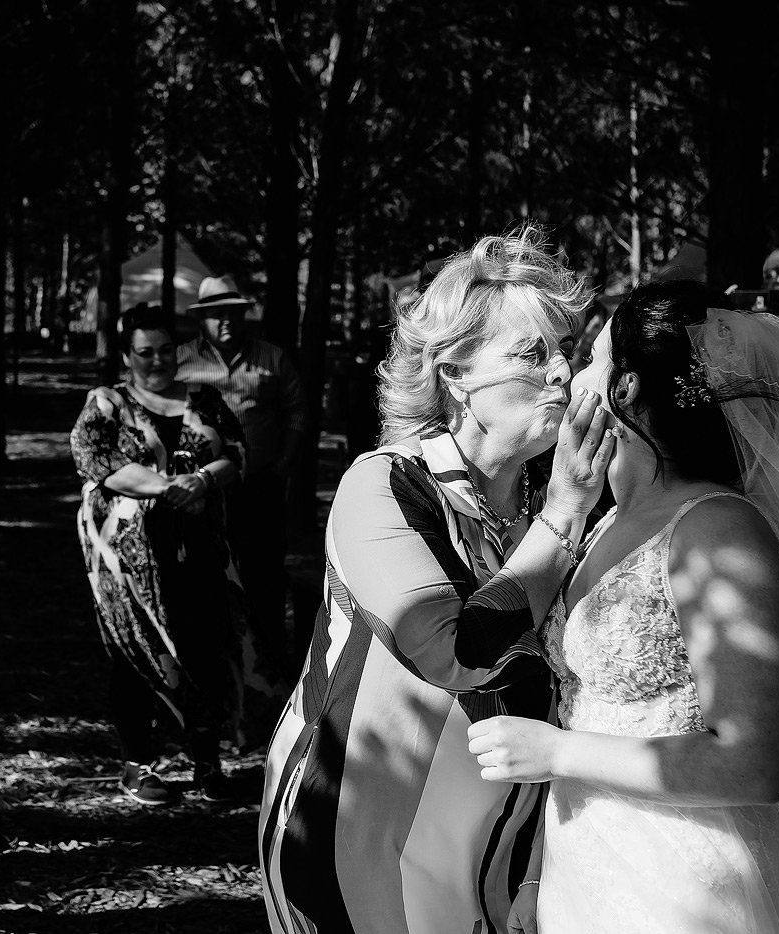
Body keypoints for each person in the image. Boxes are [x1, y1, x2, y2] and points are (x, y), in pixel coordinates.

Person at [468, 281, 779, 933]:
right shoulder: (605, 521)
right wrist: (536, 873)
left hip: (686, 887)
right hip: (583, 868)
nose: (569, 377)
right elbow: (582, 702)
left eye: (590, 358)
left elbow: (755, 763)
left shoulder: (719, 529)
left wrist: (557, 753)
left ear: (626, 393)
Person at [259, 228, 617, 934]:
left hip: (500, 845)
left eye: (567, 356)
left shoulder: (552, 498)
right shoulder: (385, 485)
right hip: (363, 839)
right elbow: (456, 653)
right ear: (453, 372)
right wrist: (567, 511)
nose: (560, 375)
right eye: (531, 354)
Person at [70, 303, 249, 806]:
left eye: (166, 350)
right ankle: (138, 764)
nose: (156, 361)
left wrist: (203, 478)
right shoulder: (107, 403)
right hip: (128, 562)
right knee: (134, 652)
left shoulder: (205, 398)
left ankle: (207, 762)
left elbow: (234, 454)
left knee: (206, 647)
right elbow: (95, 460)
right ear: (127, 356)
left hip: (200, 547)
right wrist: (168, 486)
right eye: (144, 352)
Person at [175, 276, 307, 675]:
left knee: (263, 571)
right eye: (217, 315)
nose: (227, 321)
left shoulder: (271, 357)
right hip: (201, 489)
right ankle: (209, 657)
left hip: (259, 486)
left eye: (233, 313)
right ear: (203, 320)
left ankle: (267, 660)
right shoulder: (180, 360)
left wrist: (282, 464)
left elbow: (298, 411)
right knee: (202, 570)